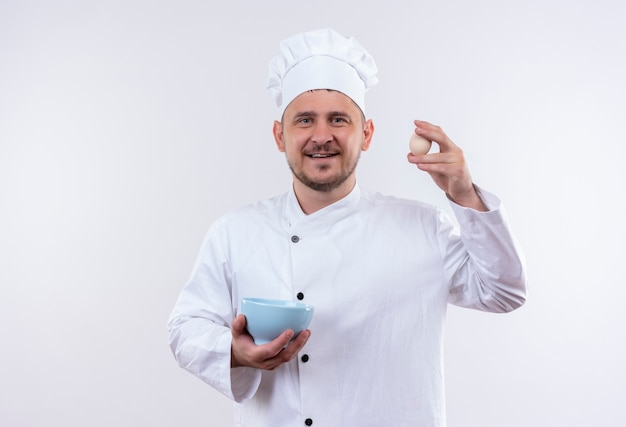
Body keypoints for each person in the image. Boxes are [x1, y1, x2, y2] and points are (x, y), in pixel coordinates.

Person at [167, 28, 527, 427]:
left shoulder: (423, 227)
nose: (322, 136)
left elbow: (504, 292)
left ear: (367, 134)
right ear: (279, 135)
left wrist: (464, 195)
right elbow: (185, 328)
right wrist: (233, 352)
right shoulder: (234, 232)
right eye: (305, 120)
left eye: (338, 119)